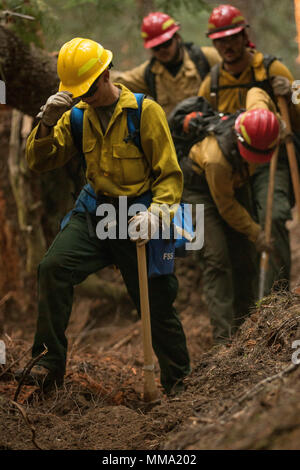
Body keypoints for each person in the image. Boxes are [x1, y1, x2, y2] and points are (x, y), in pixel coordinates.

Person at [19, 37, 191, 396]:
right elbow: (39, 161)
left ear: (106, 74)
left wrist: (157, 214)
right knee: (53, 269)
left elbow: (170, 176)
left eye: (89, 87)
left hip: (140, 216)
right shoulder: (76, 115)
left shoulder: (145, 112)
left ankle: (180, 385)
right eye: (78, 91)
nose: (85, 96)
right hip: (95, 212)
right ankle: (48, 365)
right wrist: (47, 125)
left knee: (157, 302)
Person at [198, 4, 300, 297]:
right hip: (232, 168)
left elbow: (297, 120)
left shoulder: (273, 69)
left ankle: (278, 299)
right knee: (247, 232)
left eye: (232, 38)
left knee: (275, 214)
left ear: (245, 36)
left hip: (271, 159)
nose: (227, 46)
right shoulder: (212, 83)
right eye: (220, 40)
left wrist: (290, 97)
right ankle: (252, 307)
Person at [169, 87, 280, 342]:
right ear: (241, 141)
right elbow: (227, 207)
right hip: (199, 191)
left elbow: (256, 92)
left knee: (245, 254)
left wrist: (276, 121)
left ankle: (249, 327)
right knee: (216, 258)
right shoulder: (216, 159)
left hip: (234, 182)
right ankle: (224, 340)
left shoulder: (259, 120)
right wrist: (257, 232)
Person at [111, 11, 221, 117]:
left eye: (166, 43)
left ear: (177, 38)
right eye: (156, 47)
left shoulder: (204, 58)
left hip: (207, 132)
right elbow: (118, 80)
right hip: (172, 135)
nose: (162, 50)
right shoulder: (149, 73)